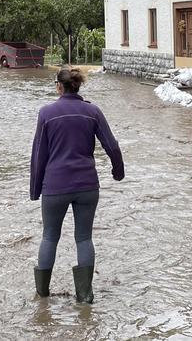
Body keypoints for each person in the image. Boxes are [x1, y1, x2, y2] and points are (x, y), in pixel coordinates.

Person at [29, 67, 124, 304]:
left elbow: (39, 155)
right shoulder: (92, 111)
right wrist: (118, 171)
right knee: (84, 238)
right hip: (87, 186)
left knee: (50, 236)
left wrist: (35, 189)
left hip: (55, 186)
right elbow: (111, 145)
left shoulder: (46, 113)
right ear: (78, 86)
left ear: (59, 87)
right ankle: (85, 296)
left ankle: (42, 296)